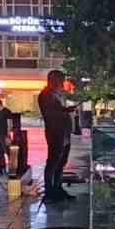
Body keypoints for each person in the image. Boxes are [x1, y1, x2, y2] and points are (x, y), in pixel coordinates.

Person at [37, 69, 75, 202]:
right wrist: (65, 111)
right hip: (55, 133)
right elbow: (50, 113)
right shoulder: (45, 95)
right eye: (61, 80)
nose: (63, 83)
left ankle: (58, 188)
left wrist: (66, 110)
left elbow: (58, 110)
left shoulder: (56, 94)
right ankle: (50, 191)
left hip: (64, 133)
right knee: (53, 162)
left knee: (61, 162)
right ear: (54, 80)